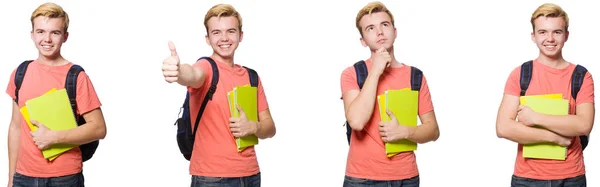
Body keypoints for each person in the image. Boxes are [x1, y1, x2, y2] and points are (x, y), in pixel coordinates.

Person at [161, 3, 276, 187]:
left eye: (231, 31)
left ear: (241, 35)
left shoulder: (251, 76)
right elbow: (193, 75)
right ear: (207, 38)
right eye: (216, 32)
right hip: (212, 178)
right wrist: (178, 72)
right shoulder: (206, 67)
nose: (224, 38)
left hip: (251, 175)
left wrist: (253, 127)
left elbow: (270, 128)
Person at [339, 1, 440, 186]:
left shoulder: (415, 76)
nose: (379, 32)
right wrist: (376, 70)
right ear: (362, 40)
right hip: (362, 179)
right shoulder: (352, 73)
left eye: (384, 25)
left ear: (395, 31)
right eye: (370, 28)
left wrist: (405, 131)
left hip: (407, 178)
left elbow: (433, 130)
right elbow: (356, 121)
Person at [6, 2, 106, 187]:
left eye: (55, 32)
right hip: (23, 176)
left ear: (65, 36)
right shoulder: (20, 72)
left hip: (64, 177)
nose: (47, 39)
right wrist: (11, 178)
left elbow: (99, 128)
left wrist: (54, 137)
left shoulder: (76, 77)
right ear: (32, 34)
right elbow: (16, 127)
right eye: (41, 31)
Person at [495, 3, 593, 186]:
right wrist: (555, 138)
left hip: (571, 177)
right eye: (542, 32)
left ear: (566, 36)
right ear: (533, 36)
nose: (550, 38)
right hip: (527, 178)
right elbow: (503, 128)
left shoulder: (581, 76)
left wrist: (535, 117)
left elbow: (584, 124)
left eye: (557, 32)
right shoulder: (521, 74)